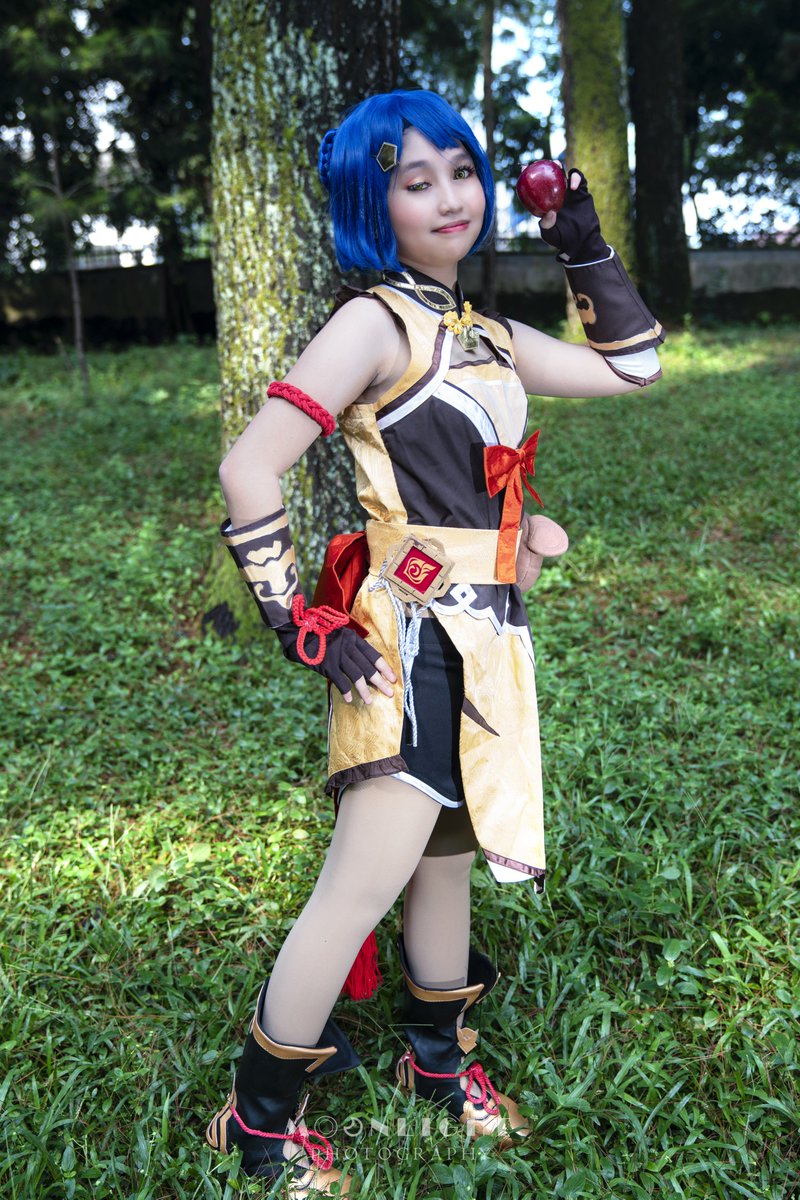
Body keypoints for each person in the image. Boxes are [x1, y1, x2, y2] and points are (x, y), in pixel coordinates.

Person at [205, 88, 664, 1193]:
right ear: (376, 205)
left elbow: (633, 366)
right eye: (417, 181)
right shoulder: (374, 324)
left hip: (487, 635)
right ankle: (255, 1123)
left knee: (447, 859)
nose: (450, 196)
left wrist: (582, 241)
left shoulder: (485, 333)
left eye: (461, 171)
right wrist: (298, 622)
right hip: (403, 640)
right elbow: (248, 465)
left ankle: (436, 1066)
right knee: (361, 881)